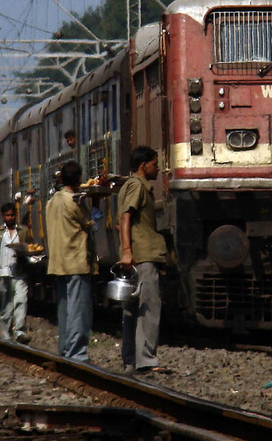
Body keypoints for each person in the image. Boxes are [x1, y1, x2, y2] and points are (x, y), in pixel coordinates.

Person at [117, 146, 169, 375]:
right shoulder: (137, 186)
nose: (158, 169)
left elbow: (122, 221)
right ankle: (146, 359)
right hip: (142, 255)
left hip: (137, 254)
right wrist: (128, 249)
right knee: (148, 307)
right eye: (155, 164)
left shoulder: (129, 186)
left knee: (131, 309)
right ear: (143, 165)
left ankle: (131, 360)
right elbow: (126, 216)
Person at [45, 160, 96, 362]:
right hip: (76, 260)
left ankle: (65, 349)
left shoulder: (52, 202)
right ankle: (77, 352)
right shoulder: (73, 202)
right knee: (78, 309)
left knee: (64, 308)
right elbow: (89, 224)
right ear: (78, 180)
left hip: (58, 261)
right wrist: (96, 207)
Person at [0, 202, 33, 343]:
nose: (10, 218)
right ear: (3, 216)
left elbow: (30, 248)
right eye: (7, 215)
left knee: (21, 300)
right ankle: (6, 334)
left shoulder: (23, 232)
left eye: (12, 215)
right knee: (7, 304)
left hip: (19, 272)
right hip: (3, 272)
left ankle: (20, 332)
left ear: (16, 215)